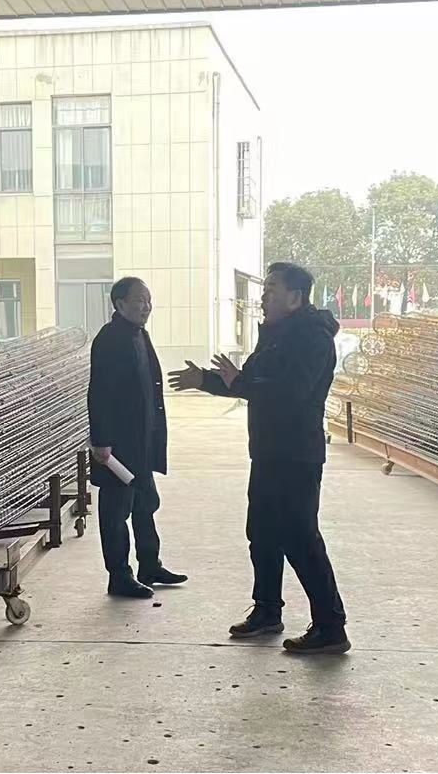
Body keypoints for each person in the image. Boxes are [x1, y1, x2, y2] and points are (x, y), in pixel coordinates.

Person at [169, 261, 349, 655]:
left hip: (297, 455)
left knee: (300, 538)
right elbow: (247, 383)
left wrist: (240, 381)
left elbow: (290, 394)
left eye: (271, 290)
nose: (263, 297)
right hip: (267, 452)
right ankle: (267, 610)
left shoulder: (314, 340)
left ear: (295, 297)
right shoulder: (274, 336)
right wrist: (206, 381)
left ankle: (330, 625)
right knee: (262, 533)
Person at [87, 277, 187, 598]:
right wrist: (101, 440)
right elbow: (99, 393)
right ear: (119, 304)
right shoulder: (110, 339)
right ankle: (119, 576)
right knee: (116, 513)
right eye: (139, 300)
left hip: (141, 442)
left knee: (146, 503)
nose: (146, 307)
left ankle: (150, 565)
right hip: (117, 445)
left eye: (148, 300)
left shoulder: (139, 334)